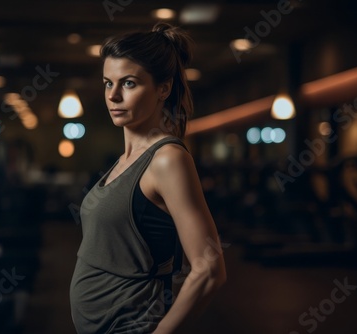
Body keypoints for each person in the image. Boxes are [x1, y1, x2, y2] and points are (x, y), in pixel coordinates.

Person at [69, 22, 227, 334]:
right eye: (107, 83)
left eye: (128, 83)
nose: (113, 96)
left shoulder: (167, 159)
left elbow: (209, 270)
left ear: (163, 88)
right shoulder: (124, 161)